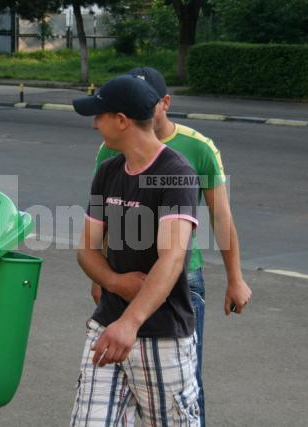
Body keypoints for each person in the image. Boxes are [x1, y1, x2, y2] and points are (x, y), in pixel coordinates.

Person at [91, 66, 252, 425]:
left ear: (164, 102)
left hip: (183, 280)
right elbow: (107, 215)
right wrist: (101, 278)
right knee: (124, 378)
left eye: (152, 100)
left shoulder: (197, 149)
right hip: (124, 277)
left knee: (184, 384)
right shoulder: (111, 149)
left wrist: (235, 278)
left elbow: (222, 218)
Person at [70, 75, 208, 426]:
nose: (95, 124)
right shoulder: (108, 171)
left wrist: (130, 322)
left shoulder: (176, 174)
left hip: (161, 335)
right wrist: (115, 283)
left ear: (121, 120)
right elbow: (87, 249)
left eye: (99, 116)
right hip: (107, 326)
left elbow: (173, 256)